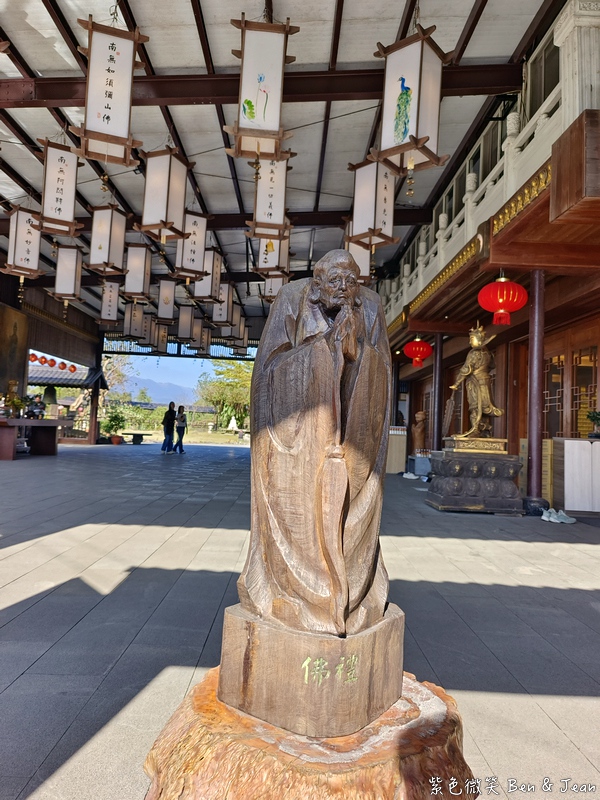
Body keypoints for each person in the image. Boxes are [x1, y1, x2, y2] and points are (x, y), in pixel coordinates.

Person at [237, 249, 391, 637]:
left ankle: (353, 597)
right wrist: (322, 351)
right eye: (334, 281)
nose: (343, 289)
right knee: (297, 508)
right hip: (298, 440)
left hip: (353, 432)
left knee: (353, 506)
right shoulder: (292, 298)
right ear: (316, 281)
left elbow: (383, 372)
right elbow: (268, 371)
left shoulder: (369, 305)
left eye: (351, 281)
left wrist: (356, 351)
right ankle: (293, 595)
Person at [450, 323, 503, 438]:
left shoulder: (473, 353)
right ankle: (484, 428)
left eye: (471, 339)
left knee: (475, 406)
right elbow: (492, 366)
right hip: (486, 380)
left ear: (479, 340)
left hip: (475, 382)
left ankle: (475, 429)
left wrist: (456, 383)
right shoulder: (488, 353)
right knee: (483, 405)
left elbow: (466, 369)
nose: (470, 342)